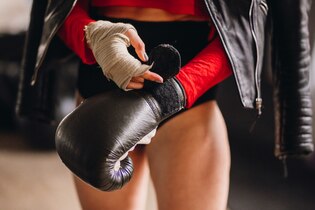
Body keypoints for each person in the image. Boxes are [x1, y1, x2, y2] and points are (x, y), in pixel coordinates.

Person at [16, 0, 314, 210]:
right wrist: (91, 36)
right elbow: (56, 6)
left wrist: (170, 96)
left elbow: (245, 30)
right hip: (102, 83)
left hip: (188, 95)